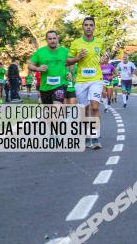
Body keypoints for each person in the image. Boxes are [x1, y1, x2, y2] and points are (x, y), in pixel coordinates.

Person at [67, 16, 105, 149]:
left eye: (91, 25)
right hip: (81, 81)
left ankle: (95, 137)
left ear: (94, 27)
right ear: (82, 27)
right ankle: (88, 136)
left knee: (95, 107)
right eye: (86, 25)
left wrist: (105, 58)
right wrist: (78, 57)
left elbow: (102, 58)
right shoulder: (76, 43)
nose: (88, 27)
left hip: (96, 79)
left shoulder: (100, 42)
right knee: (85, 109)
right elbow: (68, 61)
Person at [28, 30, 69, 105]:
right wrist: (38, 68)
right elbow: (30, 65)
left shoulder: (65, 51)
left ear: (57, 38)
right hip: (45, 87)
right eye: (50, 39)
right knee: (49, 114)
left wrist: (70, 72)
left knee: (57, 109)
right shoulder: (40, 52)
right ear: (46, 40)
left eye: (54, 38)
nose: (52, 41)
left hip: (60, 85)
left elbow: (72, 63)